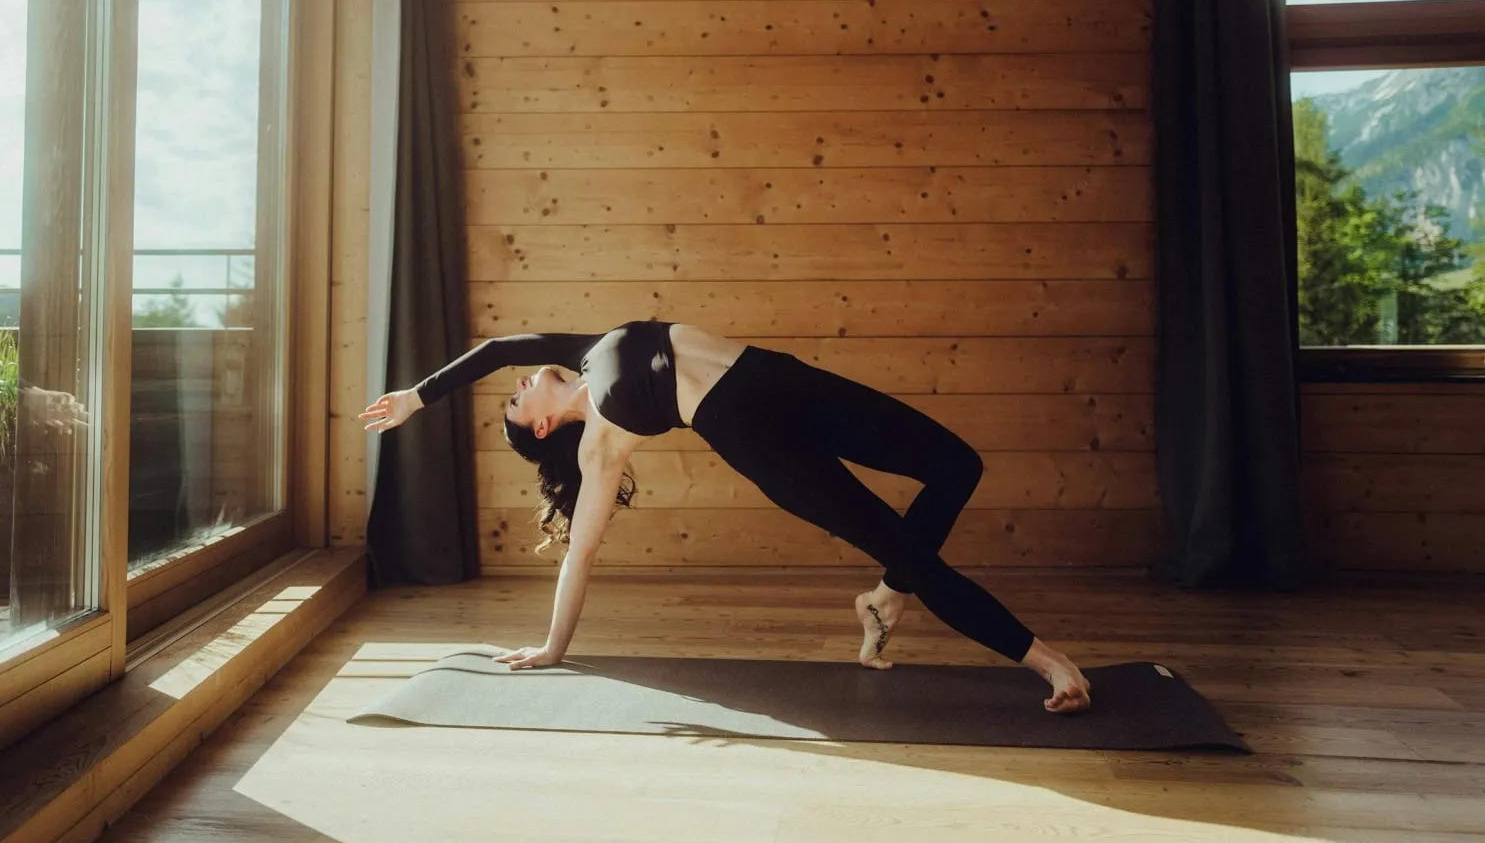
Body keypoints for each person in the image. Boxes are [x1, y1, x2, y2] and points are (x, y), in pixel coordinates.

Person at [361, 320, 1092, 713]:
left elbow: (496, 348)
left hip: (784, 382)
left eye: (515, 390)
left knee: (956, 462)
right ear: (544, 428)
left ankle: (884, 594)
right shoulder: (601, 448)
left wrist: (417, 396)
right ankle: (1044, 660)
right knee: (912, 547)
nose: (519, 384)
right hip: (764, 446)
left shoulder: (580, 352)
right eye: (518, 402)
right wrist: (552, 647)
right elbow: (579, 555)